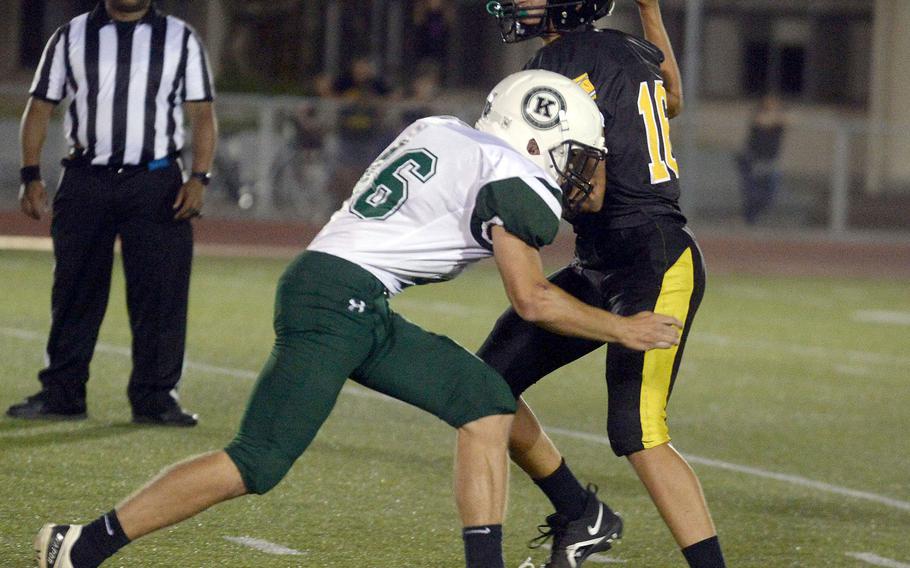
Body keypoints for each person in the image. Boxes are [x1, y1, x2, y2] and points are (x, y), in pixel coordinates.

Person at [33, 69, 683, 568]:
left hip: (346, 294)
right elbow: (532, 300)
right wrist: (624, 329)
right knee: (257, 462)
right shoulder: (518, 180)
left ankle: (578, 511)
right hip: (336, 301)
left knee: (486, 401)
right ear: (538, 138)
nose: (578, 171)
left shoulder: (441, 130)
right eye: (574, 153)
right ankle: (82, 546)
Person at [484, 1, 726, 567]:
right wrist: (649, 10)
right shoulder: (626, 49)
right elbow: (674, 100)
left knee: (637, 429)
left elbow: (586, 191)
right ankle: (580, 515)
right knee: (485, 384)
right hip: (603, 259)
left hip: (651, 258)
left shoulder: (552, 70)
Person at [8, 0, 217, 427]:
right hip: (87, 178)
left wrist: (199, 177)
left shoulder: (180, 38)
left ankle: (156, 399)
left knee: (161, 293)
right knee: (74, 290)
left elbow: (202, 113)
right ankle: (62, 394)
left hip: (156, 181)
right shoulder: (70, 36)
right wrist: (30, 174)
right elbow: (40, 107)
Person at [737, 94, 787, 225]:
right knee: (753, 192)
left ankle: (759, 215)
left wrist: (776, 117)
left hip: (769, 161)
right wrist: (772, 118)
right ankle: (750, 219)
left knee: (770, 192)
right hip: (753, 160)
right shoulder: (757, 116)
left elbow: (789, 119)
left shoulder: (779, 121)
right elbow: (761, 120)